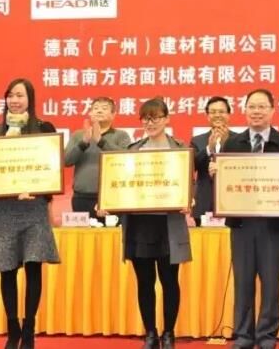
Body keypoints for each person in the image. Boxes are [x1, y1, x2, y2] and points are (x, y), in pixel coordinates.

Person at [210, 89, 279, 349]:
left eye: (262, 107)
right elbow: (225, 186)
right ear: (245, 111)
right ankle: (244, 335)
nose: (256, 111)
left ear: (272, 111)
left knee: (271, 282)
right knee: (243, 281)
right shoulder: (232, 144)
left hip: (273, 225)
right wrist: (218, 174)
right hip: (242, 224)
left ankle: (267, 335)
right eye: (252, 107)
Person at [99, 98, 192, 349]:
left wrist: (188, 200)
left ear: (167, 119)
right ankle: (150, 333)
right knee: (144, 282)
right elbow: (120, 184)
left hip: (168, 225)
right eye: (146, 119)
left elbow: (188, 185)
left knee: (170, 281)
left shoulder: (180, 150)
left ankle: (169, 333)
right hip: (139, 224)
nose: (150, 123)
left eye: (156, 117)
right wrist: (108, 202)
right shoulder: (132, 151)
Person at [0, 79, 60, 349]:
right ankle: (12, 329)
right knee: (6, 269)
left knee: (33, 267)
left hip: (33, 208)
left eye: (20, 95)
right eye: (10, 95)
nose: (14, 100)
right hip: (4, 209)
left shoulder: (44, 128)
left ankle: (29, 330)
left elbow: (51, 167)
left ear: (30, 99)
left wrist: (38, 189)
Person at [64, 97, 130, 224]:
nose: (99, 111)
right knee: (81, 236)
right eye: (95, 108)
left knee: (111, 235)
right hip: (81, 198)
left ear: (113, 115)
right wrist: (84, 142)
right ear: (90, 113)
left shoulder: (121, 135)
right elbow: (66, 161)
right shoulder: (78, 135)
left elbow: (124, 159)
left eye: (104, 108)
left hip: (111, 197)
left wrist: (100, 141)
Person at [189, 96, 236, 226]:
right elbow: (192, 166)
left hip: (233, 201)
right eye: (213, 112)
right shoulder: (197, 140)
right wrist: (208, 148)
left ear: (228, 114)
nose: (217, 115)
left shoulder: (239, 140)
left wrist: (228, 144)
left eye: (221, 111)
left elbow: (243, 167)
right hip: (204, 203)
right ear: (207, 116)